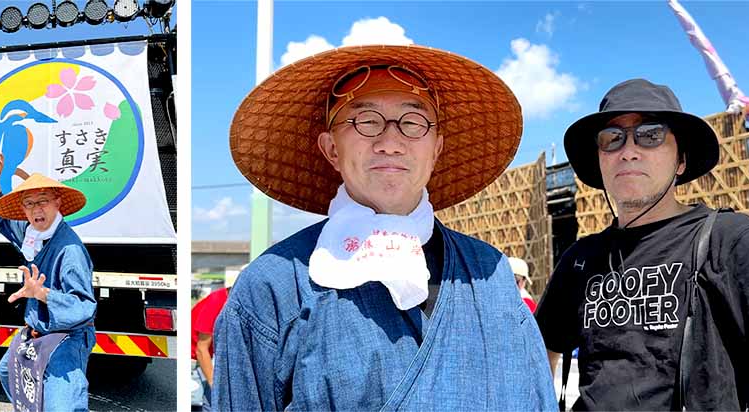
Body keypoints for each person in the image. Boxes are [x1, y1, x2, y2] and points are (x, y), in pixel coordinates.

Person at [213, 45, 557, 411]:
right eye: (366, 121)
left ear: (436, 148)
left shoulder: (490, 273)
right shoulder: (273, 286)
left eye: (413, 122)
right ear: (331, 148)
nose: (390, 143)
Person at [536, 78, 749, 410]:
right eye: (611, 139)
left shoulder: (731, 240)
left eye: (651, 135)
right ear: (600, 161)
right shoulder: (579, 260)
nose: (629, 151)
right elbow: (536, 364)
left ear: (681, 160)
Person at [0, 152, 97, 411]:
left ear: (58, 203)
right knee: (7, 372)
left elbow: (84, 306)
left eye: (42, 201)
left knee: (63, 407)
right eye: (29, 203)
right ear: (23, 210)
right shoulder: (32, 236)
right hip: (36, 335)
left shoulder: (70, 250)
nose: (36, 209)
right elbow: (4, 223)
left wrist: (43, 294)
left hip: (67, 339)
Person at [191, 269, 240, 408]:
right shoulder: (216, 301)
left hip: (209, 355)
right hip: (196, 357)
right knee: (213, 400)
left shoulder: (234, 302)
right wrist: (215, 385)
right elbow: (201, 349)